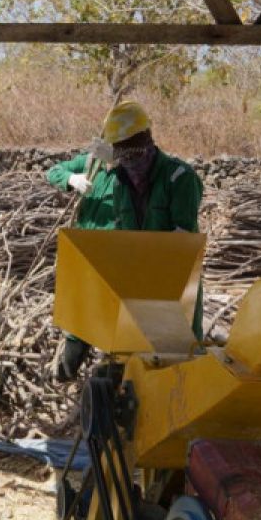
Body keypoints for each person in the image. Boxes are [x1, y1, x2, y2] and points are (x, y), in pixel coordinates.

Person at [46, 101, 204, 381]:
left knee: (179, 353)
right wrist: (72, 179)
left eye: (135, 154)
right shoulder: (117, 178)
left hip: (172, 274)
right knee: (130, 348)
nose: (131, 163)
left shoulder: (179, 178)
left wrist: (157, 271)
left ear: (148, 143)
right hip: (135, 274)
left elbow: (182, 241)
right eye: (124, 155)